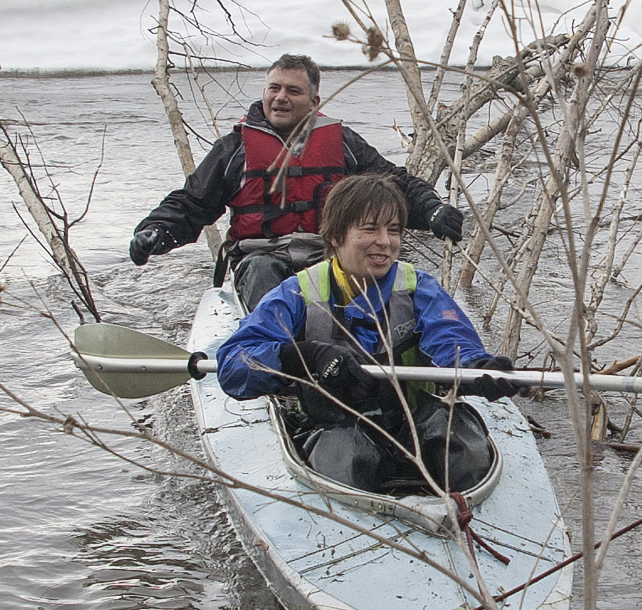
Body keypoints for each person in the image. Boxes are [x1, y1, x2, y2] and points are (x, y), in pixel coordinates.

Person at [214, 173, 516, 495]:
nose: (385, 241)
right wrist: (302, 356)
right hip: (335, 426)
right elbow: (233, 365)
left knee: (465, 450)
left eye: (393, 230)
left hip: (412, 422)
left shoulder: (418, 288)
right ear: (335, 236)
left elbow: (452, 340)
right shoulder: (297, 293)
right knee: (349, 457)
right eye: (370, 229)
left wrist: (475, 369)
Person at [129, 53, 466, 308]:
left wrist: (432, 209)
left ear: (314, 102)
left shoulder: (343, 144)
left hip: (329, 258)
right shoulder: (234, 148)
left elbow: (392, 185)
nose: (280, 97)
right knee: (264, 274)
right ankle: (278, 361)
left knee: (376, 286)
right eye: (274, 88)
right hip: (260, 260)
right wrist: (157, 231)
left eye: (293, 91)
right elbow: (192, 202)